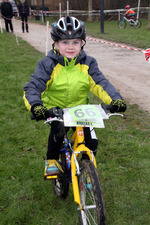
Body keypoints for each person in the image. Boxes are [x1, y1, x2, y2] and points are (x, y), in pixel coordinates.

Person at [23, 16, 127, 177]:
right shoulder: (48, 64)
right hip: (57, 111)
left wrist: (115, 100)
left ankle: (86, 169)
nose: (70, 47)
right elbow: (34, 86)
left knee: (91, 143)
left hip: (81, 111)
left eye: (75, 42)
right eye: (65, 42)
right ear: (55, 44)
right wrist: (37, 106)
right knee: (57, 135)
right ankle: (52, 161)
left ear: (82, 43)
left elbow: (101, 84)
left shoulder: (88, 63)